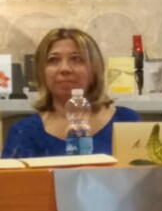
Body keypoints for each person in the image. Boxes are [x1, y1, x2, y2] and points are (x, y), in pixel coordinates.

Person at [2, 28, 140, 159]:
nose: (65, 69)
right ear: (41, 72)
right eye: (53, 60)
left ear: (94, 69)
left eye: (76, 59)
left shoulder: (126, 121)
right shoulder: (24, 132)